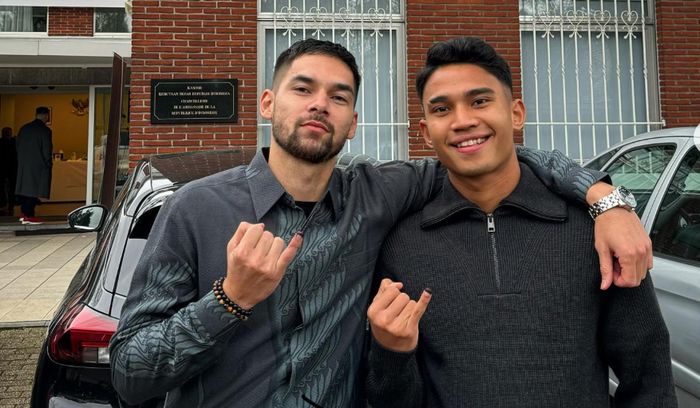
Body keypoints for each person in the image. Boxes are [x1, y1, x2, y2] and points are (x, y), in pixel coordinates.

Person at [110, 39, 652, 407]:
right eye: (303, 89)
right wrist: (229, 300)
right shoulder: (195, 210)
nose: (320, 105)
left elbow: (482, 152)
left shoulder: (377, 195)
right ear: (268, 103)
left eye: (338, 97)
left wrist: (607, 199)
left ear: (352, 124)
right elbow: (131, 375)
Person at [365, 37, 676, 407]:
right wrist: (391, 353)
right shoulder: (402, 243)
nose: (463, 121)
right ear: (425, 131)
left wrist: (608, 204)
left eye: (480, 101)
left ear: (516, 113)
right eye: (442, 109)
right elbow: (392, 401)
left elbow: (649, 382)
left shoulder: (593, 233)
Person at [15, 107, 52, 225]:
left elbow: (17, 145)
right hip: (38, 164)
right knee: (34, 189)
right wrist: (48, 163)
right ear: (46, 116)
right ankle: (29, 216)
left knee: (25, 188)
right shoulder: (45, 130)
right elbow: (47, 150)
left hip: (23, 163)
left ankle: (24, 214)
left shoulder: (24, 128)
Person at [0, 127, 18, 216]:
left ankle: (7, 203)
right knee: (10, 188)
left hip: (6, 168)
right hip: (10, 168)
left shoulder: (9, 142)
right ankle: (9, 204)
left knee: (6, 188)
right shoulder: (13, 142)